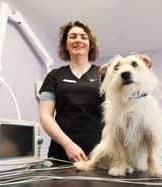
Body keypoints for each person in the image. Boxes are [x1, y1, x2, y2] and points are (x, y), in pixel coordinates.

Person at [39, 21, 103, 162]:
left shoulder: (103, 74)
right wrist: (68, 145)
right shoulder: (53, 76)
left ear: (90, 44)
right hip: (62, 152)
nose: (78, 40)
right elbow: (45, 116)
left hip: (100, 152)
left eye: (83, 37)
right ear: (65, 44)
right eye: (73, 36)